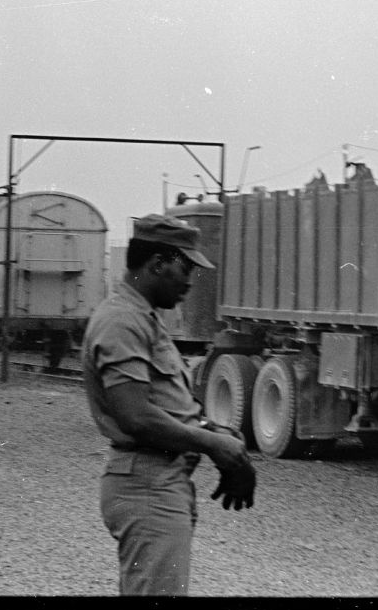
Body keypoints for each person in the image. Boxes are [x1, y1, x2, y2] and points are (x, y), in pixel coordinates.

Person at [81, 214, 256, 596]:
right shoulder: (122, 322)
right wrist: (212, 444)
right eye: (186, 267)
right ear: (157, 263)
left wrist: (216, 435)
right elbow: (136, 416)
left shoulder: (143, 318)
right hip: (147, 486)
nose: (191, 281)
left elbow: (166, 405)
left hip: (158, 482)